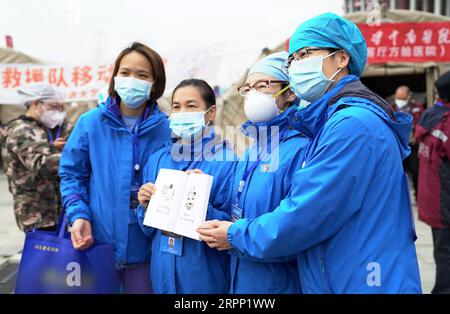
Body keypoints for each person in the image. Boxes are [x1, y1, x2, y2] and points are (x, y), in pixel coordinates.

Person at [198, 12, 422, 294]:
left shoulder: (351, 125)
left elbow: (306, 214)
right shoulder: (332, 122)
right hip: (344, 274)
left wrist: (236, 234)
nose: (295, 66)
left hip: (363, 280)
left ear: (341, 58)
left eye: (305, 54)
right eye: (291, 60)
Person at [59, 42, 171, 294]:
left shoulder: (168, 129)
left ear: (155, 83)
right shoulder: (90, 123)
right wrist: (79, 214)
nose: (132, 80)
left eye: (142, 75)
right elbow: (71, 174)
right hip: (96, 244)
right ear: (115, 77)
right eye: (125, 72)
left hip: (147, 249)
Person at [137, 79, 236, 294]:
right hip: (162, 272)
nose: (182, 112)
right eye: (176, 106)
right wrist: (145, 205)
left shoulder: (228, 161)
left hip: (203, 275)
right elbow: (146, 229)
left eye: (191, 106)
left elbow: (234, 226)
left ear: (210, 113)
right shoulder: (157, 159)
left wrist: (199, 202)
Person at [223, 52, 308, 293]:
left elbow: (295, 228)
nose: (253, 94)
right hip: (242, 278)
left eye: (262, 85)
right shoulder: (253, 149)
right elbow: (239, 213)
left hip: (279, 284)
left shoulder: (300, 148)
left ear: (290, 92)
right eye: (248, 88)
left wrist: (233, 236)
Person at [0, 83, 68, 232]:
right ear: (36, 103)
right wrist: (76, 156)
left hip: (52, 210)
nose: (57, 112)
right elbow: (41, 165)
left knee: (55, 254)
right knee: (43, 253)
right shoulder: (23, 130)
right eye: (53, 107)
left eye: (60, 108)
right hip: (37, 213)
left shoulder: (40, 127)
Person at [415, 71, 450, 294]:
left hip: (432, 198)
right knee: (447, 254)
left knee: (442, 251)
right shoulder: (446, 122)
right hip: (445, 201)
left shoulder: (430, 115)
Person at [392, 85, 425, 200]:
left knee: (416, 172)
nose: (399, 101)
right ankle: (399, 197)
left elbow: (421, 125)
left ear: (408, 96)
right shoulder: (391, 107)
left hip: (412, 146)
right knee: (398, 172)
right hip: (397, 147)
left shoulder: (417, 108)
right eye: (398, 98)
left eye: (401, 98)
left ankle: (418, 197)